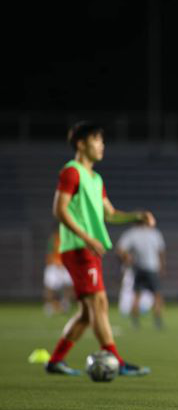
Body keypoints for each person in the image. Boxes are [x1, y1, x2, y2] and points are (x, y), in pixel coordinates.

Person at [46, 121, 153, 376]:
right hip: (79, 249)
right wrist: (86, 238)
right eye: (97, 140)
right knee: (99, 304)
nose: (101, 145)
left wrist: (137, 216)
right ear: (81, 144)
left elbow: (111, 214)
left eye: (102, 141)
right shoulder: (71, 172)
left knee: (86, 313)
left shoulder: (96, 178)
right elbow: (59, 210)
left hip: (90, 250)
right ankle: (118, 362)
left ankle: (55, 361)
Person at [116, 221, 167, 329]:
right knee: (157, 295)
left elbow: (120, 249)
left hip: (138, 268)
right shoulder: (154, 233)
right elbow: (161, 251)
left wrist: (127, 258)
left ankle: (135, 322)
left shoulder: (131, 233)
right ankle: (158, 321)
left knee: (137, 295)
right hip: (152, 267)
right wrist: (162, 266)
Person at [43, 226, 74, 315]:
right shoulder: (54, 238)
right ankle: (49, 305)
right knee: (49, 286)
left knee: (69, 284)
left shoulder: (69, 238)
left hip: (65, 265)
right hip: (54, 265)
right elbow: (49, 253)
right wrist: (54, 262)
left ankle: (65, 304)